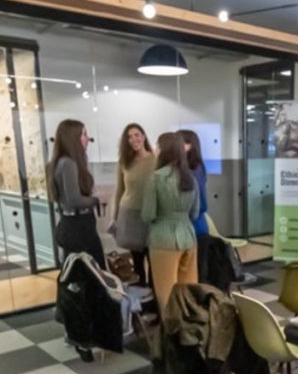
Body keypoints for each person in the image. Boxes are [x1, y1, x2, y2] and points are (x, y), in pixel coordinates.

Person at [142, 133, 200, 315]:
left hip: (163, 240)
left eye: (157, 146)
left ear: (164, 150)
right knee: (189, 292)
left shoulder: (156, 178)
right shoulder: (190, 177)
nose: (155, 150)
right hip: (189, 238)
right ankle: (190, 331)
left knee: (166, 293)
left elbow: (148, 214)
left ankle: (171, 334)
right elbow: (196, 213)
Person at [47, 119, 105, 268]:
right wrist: (96, 199)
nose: (88, 139)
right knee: (92, 275)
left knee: (78, 274)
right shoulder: (68, 163)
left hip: (71, 226)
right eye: (84, 134)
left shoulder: (59, 162)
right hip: (79, 228)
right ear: (73, 138)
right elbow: (74, 200)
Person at [113, 123, 156, 284]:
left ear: (144, 136)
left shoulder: (156, 159)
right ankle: (142, 298)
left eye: (137, 134)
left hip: (152, 215)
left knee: (154, 259)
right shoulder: (124, 162)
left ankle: (155, 297)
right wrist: (114, 217)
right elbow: (119, 190)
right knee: (137, 262)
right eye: (129, 137)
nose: (134, 139)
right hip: (130, 215)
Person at [177, 129, 208, 236]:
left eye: (179, 142)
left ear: (190, 146)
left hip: (195, 223)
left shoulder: (195, 169)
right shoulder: (186, 168)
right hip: (190, 222)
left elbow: (201, 202)